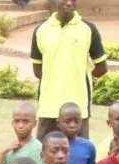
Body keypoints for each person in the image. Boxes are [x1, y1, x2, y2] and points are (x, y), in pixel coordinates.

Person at [28, 0, 105, 139]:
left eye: (73, 0)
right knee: (44, 155)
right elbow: (38, 70)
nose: (69, 3)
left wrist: (82, 79)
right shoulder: (41, 30)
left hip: (78, 110)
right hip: (48, 109)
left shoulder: (88, 29)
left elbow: (102, 67)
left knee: (80, 155)